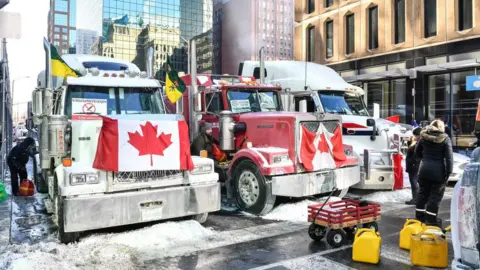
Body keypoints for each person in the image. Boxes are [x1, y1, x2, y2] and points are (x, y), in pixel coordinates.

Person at [414, 120, 453, 226]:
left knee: (422, 193)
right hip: (438, 172)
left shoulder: (423, 137)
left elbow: (417, 153)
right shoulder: (445, 139)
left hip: (424, 171)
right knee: (435, 196)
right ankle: (431, 220)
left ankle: (419, 218)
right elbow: (449, 159)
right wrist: (448, 173)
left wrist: (426, 161)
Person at [405, 127, 422, 205]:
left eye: (415, 135)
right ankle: (416, 198)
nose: (414, 136)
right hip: (413, 165)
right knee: (414, 182)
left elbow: (417, 154)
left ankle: (416, 199)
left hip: (414, 165)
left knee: (414, 182)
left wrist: (413, 161)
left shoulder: (420, 142)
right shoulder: (416, 141)